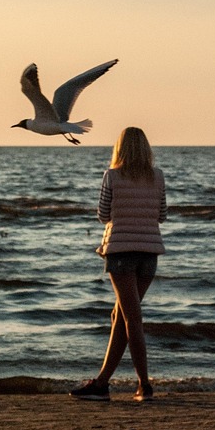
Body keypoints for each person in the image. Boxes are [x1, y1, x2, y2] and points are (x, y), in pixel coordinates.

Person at [70, 126, 167, 403]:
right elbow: (162, 215)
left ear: (119, 148)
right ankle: (102, 383)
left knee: (131, 318)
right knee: (120, 317)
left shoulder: (111, 176)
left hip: (121, 252)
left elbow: (102, 215)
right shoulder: (157, 177)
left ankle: (144, 385)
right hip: (149, 253)